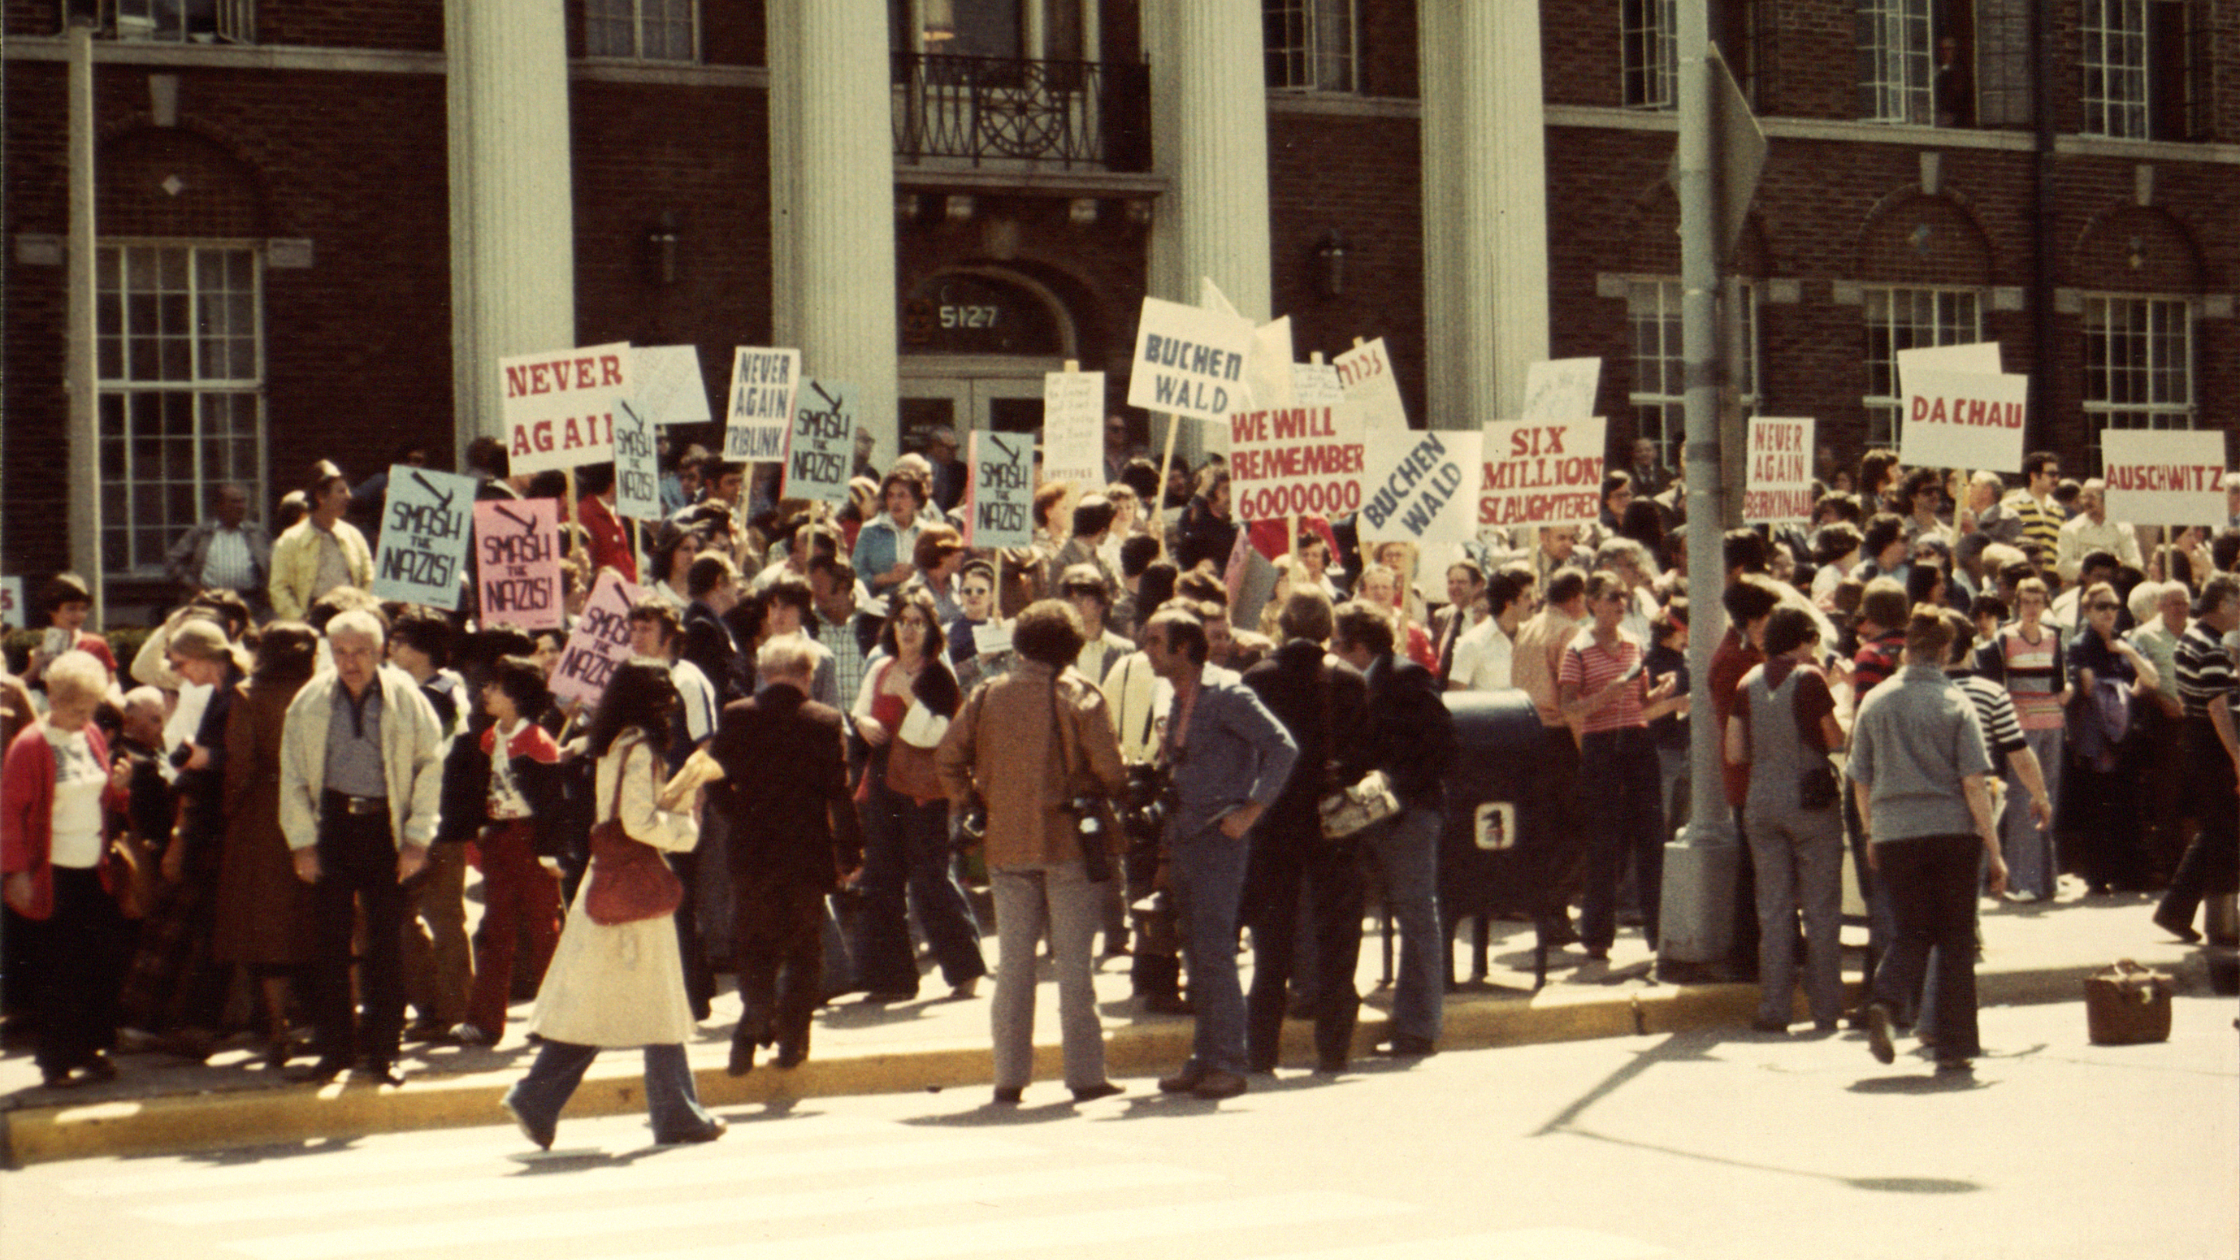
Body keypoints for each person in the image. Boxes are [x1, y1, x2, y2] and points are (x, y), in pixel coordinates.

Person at [500, 662, 726, 1150]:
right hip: (635, 893)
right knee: (657, 1004)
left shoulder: (611, 744)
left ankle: (539, 1099)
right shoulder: (640, 748)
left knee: (604, 1007)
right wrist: (685, 828)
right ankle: (673, 1114)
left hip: (607, 888)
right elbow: (639, 822)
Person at [938, 601, 1128, 1103]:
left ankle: (1009, 1077)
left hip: (1005, 844)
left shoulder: (986, 695)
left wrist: (973, 801)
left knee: (1014, 968)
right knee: (1074, 969)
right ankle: (1085, 1075)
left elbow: (948, 758)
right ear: (1070, 647)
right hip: (1068, 842)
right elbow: (1111, 769)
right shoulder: (1079, 696)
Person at [279, 610, 446, 1085]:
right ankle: (335, 1051)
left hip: (384, 827)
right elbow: (292, 776)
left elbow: (429, 765)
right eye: (341, 652)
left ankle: (384, 1051)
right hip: (331, 824)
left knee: (385, 944)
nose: (350, 662)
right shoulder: (310, 701)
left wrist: (417, 838)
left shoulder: (406, 698)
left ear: (381, 651)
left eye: (361, 652)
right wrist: (302, 843)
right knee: (329, 945)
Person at [1143, 605, 1297, 1100]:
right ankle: (1204, 1056)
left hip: (1217, 836)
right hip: (1185, 834)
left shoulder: (1228, 694)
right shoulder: (1176, 694)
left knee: (1214, 952)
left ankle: (1229, 1061)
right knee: (1195, 951)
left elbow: (1282, 748)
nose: (1147, 650)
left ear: (1182, 648)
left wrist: (1251, 810)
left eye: (1154, 641)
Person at [692, 635, 863, 1074]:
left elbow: (715, 779)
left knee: (754, 943)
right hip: (807, 854)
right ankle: (792, 1038)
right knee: (805, 949)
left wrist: (737, 814)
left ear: (764, 674)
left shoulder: (737, 716)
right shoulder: (824, 721)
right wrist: (849, 852)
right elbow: (839, 795)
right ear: (807, 676)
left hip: (751, 851)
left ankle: (755, 1013)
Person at [1850, 607, 2006, 1074]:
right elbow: (1973, 782)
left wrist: (1871, 831)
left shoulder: (1876, 702)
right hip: (1952, 832)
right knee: (1956, 937)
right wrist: (1994, 851)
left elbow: (1860, 778)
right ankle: (1955, 1044)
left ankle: (1885, 999)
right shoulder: (1956, 703)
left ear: (1905, 649)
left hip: (1896, 831)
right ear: (1944, 651)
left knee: (1912, 929)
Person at [1239, 590, 1370, 1075]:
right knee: (1338, 936)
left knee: (1272, 941)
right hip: (1333, 818)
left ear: (1284, 625)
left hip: (1275, 819)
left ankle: (1262, 1051)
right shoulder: (1351, 680)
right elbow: (1365, 753)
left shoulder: (1259, 678)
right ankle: (1333, 1049)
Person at [1328, 598, 1456, 1058]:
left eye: (1337, 643)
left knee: (1416, 914)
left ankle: (1419, 1025)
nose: (1332, 651)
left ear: (1359, 646)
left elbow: (1441, 746)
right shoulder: (1349, 684)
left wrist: (1391, 783)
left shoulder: (1406, 678)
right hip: (1365, 814)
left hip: (1409, 814)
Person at [849, 587, 986, 1002]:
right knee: (882, 878)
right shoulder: (879, 667)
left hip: (925, 789)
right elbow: (859, 708)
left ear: (930, 630)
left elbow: (938, 733)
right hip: (883, 782)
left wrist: (908, 693)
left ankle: (965, 969)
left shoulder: (937, 675)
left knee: (929, 878)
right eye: (902, 622)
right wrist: (861, 721)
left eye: (917, 623)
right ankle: (891, 979)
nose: (908, 631)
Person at [2, 651, 130, 1088]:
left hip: (93, 868)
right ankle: (55, 1059)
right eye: (77, 709)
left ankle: (89, 1047)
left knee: (98, 963)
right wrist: (15, 872)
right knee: (60, 969)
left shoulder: (91, 734)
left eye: (90, 709)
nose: (85, 718)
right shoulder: (30, 745)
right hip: (52, 873)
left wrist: (118, 789)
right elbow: (9, 813)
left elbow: (102, 798)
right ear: (53, 699)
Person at [1725, 607, 1847, 1033]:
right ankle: (1826, 1008)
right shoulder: (1809, 679)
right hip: (1810, 800)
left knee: (1773, 912)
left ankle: (1774, 1008)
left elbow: (1735, 751)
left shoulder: (1748, 682)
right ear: (1802, 640)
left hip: (1761, 801)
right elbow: (1833, 738)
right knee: (1820, 910)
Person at [1559, 572, 1687, 960]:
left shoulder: (1634, 644)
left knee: (1650, 837)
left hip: (1636, 740)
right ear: (1592, 602)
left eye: (1625, 597)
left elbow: (1642, 704)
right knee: (1605, 842)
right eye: (1613, 597)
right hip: (1601, 743)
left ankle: (1656, 931)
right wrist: (1604, 694)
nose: (1620, 603)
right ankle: (1597, 934)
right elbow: (1569, 707)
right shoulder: (1578, 649)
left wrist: (1667, 697)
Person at [211, 623, 320, 1069]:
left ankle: (278, 1030)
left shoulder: (248, 696)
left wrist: (228, 812)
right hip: (317, 808)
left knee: (267, 928)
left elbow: (241, 765)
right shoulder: (321, 691)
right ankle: (332, 1025)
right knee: (320, 921)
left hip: (264, 813)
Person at [449, 657, 566, 1047]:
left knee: (544, 931)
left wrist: (551, 853)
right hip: (500, 840)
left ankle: (557, 1020)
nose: (485, 693)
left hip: (532, 842)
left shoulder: (538, 742)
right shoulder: (489, 737)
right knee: (496, 932)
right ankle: (485, 1021)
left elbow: (552, 804)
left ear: (516, 696)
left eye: (495, 687)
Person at [2153, 574, 2240, 944]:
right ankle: (2214, 923)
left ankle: (2178, 911)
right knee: (2224, 832)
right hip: (2212, 744)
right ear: (2222, 604)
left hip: (2196, 739)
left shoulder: (2193, 638)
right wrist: (2237, 756)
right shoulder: (2212, 647)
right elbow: (2218, 708)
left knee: (2217, 830)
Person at [1977, 576, 2067, 900]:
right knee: (2021, 799)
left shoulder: (2054, 638)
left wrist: (2065, 693)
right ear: (2017, 604)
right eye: (2026, 602)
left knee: (2047, 798)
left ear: (2045, 604)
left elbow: (2060, 681)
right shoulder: (2004, 639)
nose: (2031, 608)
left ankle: (2047, 879)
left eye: (2037, 601)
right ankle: (2023, 881)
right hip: (2018, 726)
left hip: (2052, 723)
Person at [269, 463, 374, 621]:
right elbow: (278, 589)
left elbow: (369, 578)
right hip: (311, 622)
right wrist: (302, 621)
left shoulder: (354, 535)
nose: (349, 496)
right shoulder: (290, 540)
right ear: (321, 496)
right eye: (341, 491)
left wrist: (362, 613)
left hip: (352, 620)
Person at [166, 483, 274, 614]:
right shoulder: (201, 533)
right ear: (219, 505)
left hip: (249, 603)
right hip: (209, 603)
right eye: (234, 502)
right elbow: (172, 562)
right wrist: (195, 588)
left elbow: (275, 566)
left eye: (243, 501)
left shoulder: (258, 534)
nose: (241, 507)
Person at [851, 471, 928, 598]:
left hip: (918, 604)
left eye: (902, 496)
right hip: (878, 604)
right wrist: (888, 578)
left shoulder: (927, 531)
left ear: (917, 500)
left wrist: (914, 572)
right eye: (890, 496)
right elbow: (855, 579)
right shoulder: (870, 530)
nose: (895, 502)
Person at [1060, 563, 1134, 685]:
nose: (1077, 604)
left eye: (1085, 598)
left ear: (1101, 602)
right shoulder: (1058, 650)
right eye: (1071, 599)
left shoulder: (1125, 650)